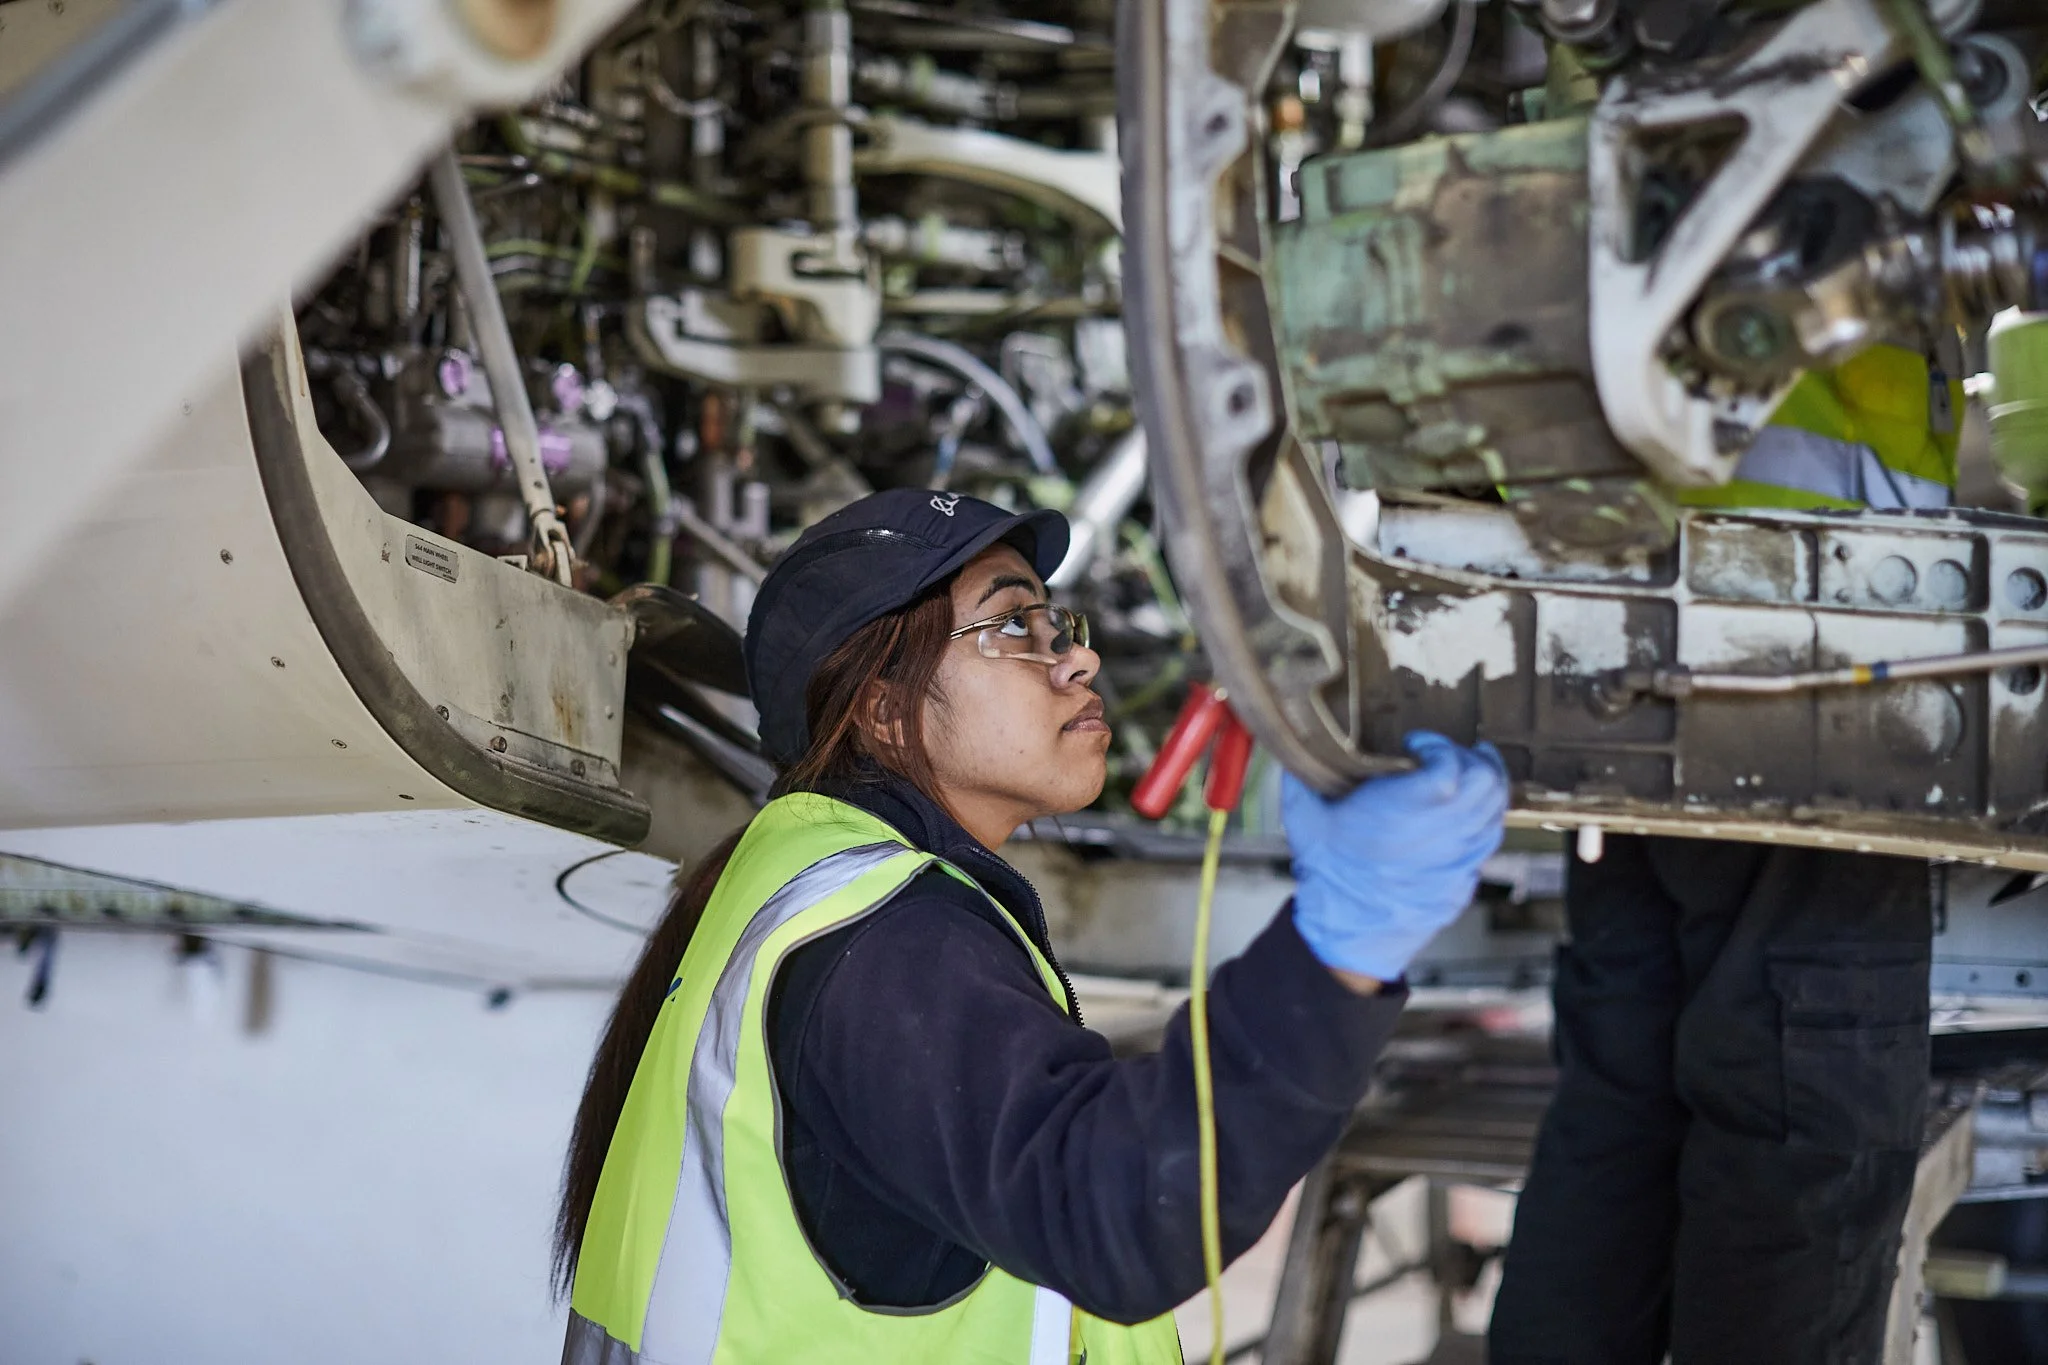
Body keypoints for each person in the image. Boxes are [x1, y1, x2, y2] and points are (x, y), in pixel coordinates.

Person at [551, 488, 1509, 1364]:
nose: (1078, 656)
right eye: (1014, 624)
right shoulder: (881, 943)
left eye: (1058, 621)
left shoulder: (821, 897)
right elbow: (1119, 1214)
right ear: (885, 714)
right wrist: (1337, 950)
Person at [1489, 345, 1954, 1364]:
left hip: (1601, 644)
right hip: (1813, 647)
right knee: (1797, 1114)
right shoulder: (1847, 198)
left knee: (1616, 1102)